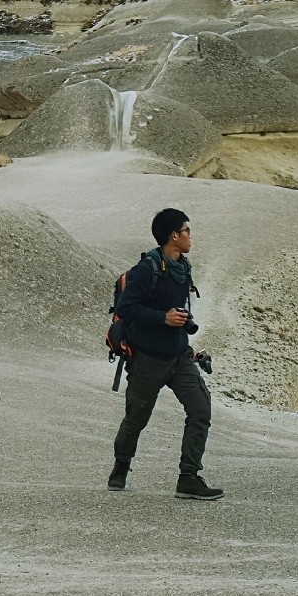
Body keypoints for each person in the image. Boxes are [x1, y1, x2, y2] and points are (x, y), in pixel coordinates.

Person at [109, 207, 222, 500]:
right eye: (187, 231)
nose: (190, 236)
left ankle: (189, 478)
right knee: (136, 418)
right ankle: (121, 466)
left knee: (200, 410)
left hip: (180, 355)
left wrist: (183, 325)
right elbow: (126, 308)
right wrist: (163, 318)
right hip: (148, 358)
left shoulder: (183, 267)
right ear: (174, 236)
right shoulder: (146, 269)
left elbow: (177, 308)